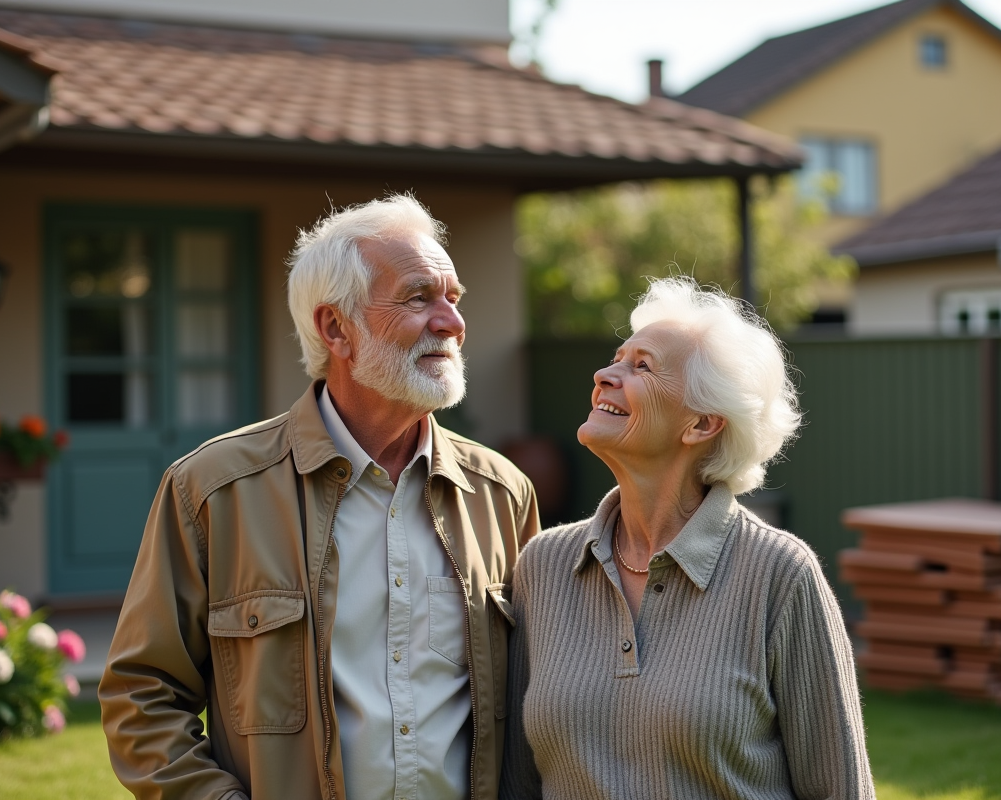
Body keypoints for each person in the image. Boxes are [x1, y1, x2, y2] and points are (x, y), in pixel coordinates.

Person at [100, 195, 539, 800]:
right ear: (336, 328)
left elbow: (539, 701)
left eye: (453, 299)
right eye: (418, 297)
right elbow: (141, 694)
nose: (452, 323)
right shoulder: (211, 491)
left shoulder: (502, 494)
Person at [501, 277, 874, 800]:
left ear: (701, 423)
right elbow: (518, 783)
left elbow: (841, 789)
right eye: (616, 358)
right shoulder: (543, 566)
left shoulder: (779, 574)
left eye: (642, 366)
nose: (605, 375)